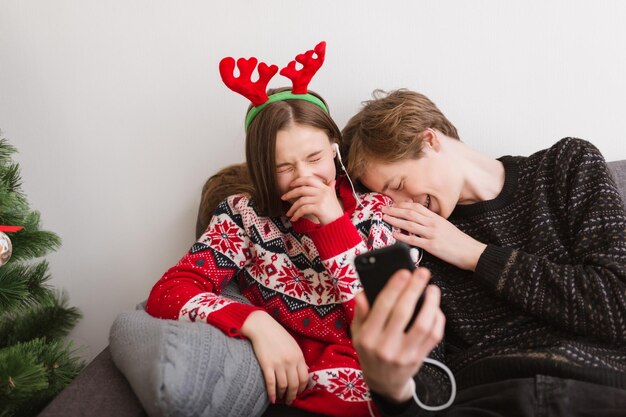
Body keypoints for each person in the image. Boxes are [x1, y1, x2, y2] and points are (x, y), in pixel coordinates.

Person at [145, 45, 444, 417]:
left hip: (378, 397)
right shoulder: (243, 216)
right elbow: (169, 293)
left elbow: (392, 326)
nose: (305, 177)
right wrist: (255, 322)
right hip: (290, 394)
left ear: (334, 150)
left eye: (315, 158)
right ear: (261, 170)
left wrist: (334, 226)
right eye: (283, 166)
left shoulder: (378, 212)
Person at [342, 89, 626, 416]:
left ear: (430, 141)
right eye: (388, 199)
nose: (403, 206)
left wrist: (476, 255)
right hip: (487, 399)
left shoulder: (564, 165)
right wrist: (395, 386)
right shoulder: (410, 242)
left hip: (595, 386)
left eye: (399, 182)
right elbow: (430, 383)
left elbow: (618, 303)